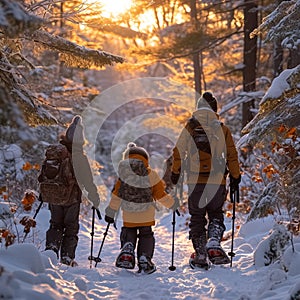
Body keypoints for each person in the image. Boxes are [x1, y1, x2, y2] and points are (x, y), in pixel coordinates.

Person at [171, 91, 241, 268]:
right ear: (215, 109)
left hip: (195, 182)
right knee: (216, 213)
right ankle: (214, 243)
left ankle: (201, 253)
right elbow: (232, 155)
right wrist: (235, 176)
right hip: (217, 182)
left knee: (197, 217)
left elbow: (178, 151)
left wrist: (175, 172)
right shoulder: (222, 129)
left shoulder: (190, 128)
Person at [105, 142, 179, 274]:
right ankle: (145, 257)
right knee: (146, 235)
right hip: (146, 213)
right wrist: (172, 204)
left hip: (128, 213)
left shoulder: (124, 175)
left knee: (129, 230)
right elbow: (160, 194)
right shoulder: (151, 174)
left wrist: (111, 211)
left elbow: (117, 194)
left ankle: (128, 249)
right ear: (146, 159)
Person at [43, 115, 100, 266]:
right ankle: (67, 257)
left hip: (54, 196)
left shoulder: (56, 153)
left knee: (55, 224)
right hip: (72, 198)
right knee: (71, 227)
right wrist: (94, 197)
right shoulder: (79, 157)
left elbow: (43, 176)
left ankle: (51, 251)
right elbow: (87, 180)